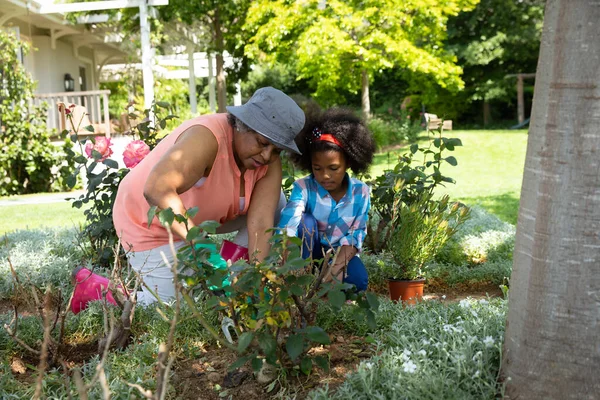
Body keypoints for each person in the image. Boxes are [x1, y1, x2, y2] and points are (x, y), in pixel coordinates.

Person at [72, 87, 305, 310]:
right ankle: (94, 289)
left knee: (276, 204)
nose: (267, 156)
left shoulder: (266, 158)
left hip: (204, 215)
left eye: (276, 150)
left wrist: (257, 280)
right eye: (263, 143)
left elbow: (262, 222)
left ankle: (232, 278)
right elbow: (156, 190)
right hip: (148, 220)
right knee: (174, 308)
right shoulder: (206, 139)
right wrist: (204, 250)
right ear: (243, 126)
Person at [277, 108, 376, 292]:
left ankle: (324, 287)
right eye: (317, 168)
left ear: (348, 162)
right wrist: (291, 264)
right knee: (304, 221)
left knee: (357, 281)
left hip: (338, 255)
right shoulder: (304, 188)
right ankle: (303, 277)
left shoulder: (360, 192)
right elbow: (288, 227)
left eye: (333, 168)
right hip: (306, 253)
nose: (325, 176)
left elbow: (355, 235)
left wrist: (334, 270)